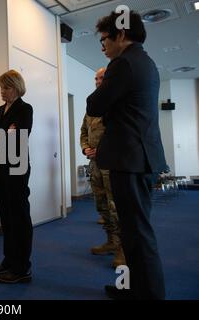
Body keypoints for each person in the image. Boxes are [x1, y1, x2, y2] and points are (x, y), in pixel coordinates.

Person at [87, 11, 166, 299]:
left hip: (129, 160)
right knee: (133, 233)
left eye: (105, 39)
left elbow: (94, 105)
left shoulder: (123, 64)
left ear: (120, 35)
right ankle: (133, 289)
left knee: (138, 235)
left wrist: (104, 94)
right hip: (137, 158)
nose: (103, 46)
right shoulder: (144, 61)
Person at [0, 70, 33, 284]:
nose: (2, 92)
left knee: (19, 216)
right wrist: (5, 133)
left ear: (16, 87)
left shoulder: (25, 109)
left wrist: (0, 135)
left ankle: (22, 267)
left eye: (6, 87)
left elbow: (19, 137)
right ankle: (9, 259)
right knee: (5, 214)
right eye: (1, 88)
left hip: (17, 168)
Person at [80, 67, 125, 268]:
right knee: (102, 205)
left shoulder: (117, 103)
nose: (98, 81)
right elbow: (83, 131)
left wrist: (102, 150)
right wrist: (86, 148)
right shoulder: (93, 106)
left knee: (116, 206)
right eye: (96, 78)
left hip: (112, 164)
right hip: (95, 165)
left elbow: (120, 132)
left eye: (101, 78)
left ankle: (122, 249)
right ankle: (110, 241)